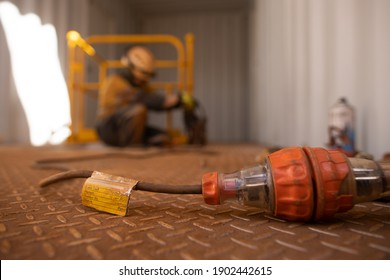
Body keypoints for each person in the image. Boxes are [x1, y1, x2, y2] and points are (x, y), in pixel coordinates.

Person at [96, 46, 184, 147]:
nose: (144, 81)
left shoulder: (141, 86)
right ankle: (132, 150)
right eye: (142, 78)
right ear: (131, 69)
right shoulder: (115, 82)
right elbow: (145, 98)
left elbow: (155, 101)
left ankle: (138, 144)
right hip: (109, 129)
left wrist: (180, 103)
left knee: (162, 137)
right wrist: (174, 99)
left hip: (127, 128)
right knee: (139, 110)